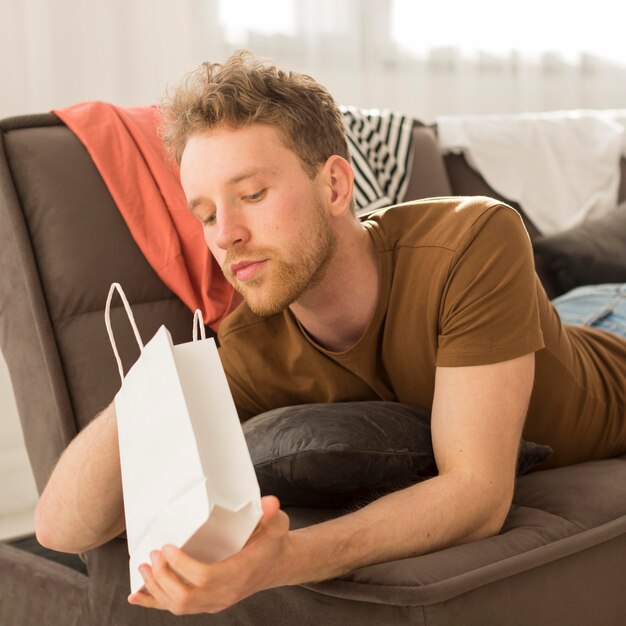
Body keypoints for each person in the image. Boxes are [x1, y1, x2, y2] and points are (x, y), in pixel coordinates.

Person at [35, 51, 626, 616]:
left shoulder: (471, 237)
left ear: (336, 187)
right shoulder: (246, 346)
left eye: (253, 194)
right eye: (207, 214)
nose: (227, 235)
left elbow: (476, 498)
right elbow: (61, 528)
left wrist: (280, 561)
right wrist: (159, 383)